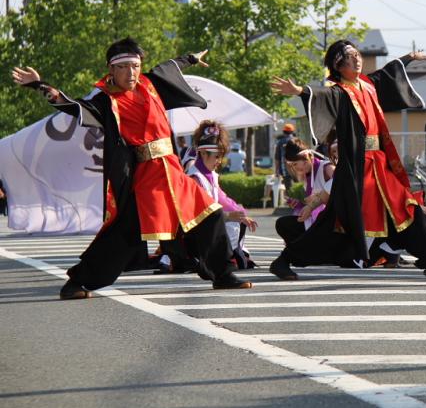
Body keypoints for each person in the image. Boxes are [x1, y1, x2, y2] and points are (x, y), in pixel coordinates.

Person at [11, 37, 252, 299]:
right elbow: (73, 106)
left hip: (173, 171)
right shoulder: (106, 101)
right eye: (124, 66)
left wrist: (191, 58)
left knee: (211, 215)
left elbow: (170, 66)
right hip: (147, 177)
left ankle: (223, 274)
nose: (132, 72)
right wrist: (40, 85)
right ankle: (78, 282)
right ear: (111, 69)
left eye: (135, 65)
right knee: (126, 234)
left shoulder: (150, 83)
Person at [269, 40, 426, 279]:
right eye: (349, 56)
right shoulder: (340, 92)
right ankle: (284, 261)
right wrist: (300, 91)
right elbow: (323, 94)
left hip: (379, 165)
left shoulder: (367, 85)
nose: (357, 59)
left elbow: (387, 73)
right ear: (338, 65)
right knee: (333, 225)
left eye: (357, 54)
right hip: (356, 169)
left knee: (408, 209)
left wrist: (407, 58)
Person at [186, 122, 258, 268]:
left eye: (220, 157)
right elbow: (200, 213)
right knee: (232, 223)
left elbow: (223, 200)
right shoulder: (194, 178)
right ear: (203, 153)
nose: (219, 162)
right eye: (216, 157)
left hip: (209, 227)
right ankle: (217, 259)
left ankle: (225, 257)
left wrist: (241, 214)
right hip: (195, 232)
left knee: (238, 222)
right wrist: (228, 216)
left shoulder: (211, 175)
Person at [274, 138, 336, 245]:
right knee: (282, 224)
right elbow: (312, 206)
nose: (295, 168)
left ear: (306, 157)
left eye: (295, 163)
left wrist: (319, 197)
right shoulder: (307, 176)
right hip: (317, 221)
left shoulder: (327, 167)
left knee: (284, 224)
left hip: (332, 220)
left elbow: (342, 188)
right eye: (292, 165)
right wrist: (299, 205)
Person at [274, 124, 297, 189]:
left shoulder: (280, 142)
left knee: (288, 189)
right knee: (297, 189)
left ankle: (289, 199)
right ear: (292, 132)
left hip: (285, 170)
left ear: (284, 132)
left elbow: (277, 158)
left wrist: (276, 171)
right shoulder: (296, 141)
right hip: (297, 169)